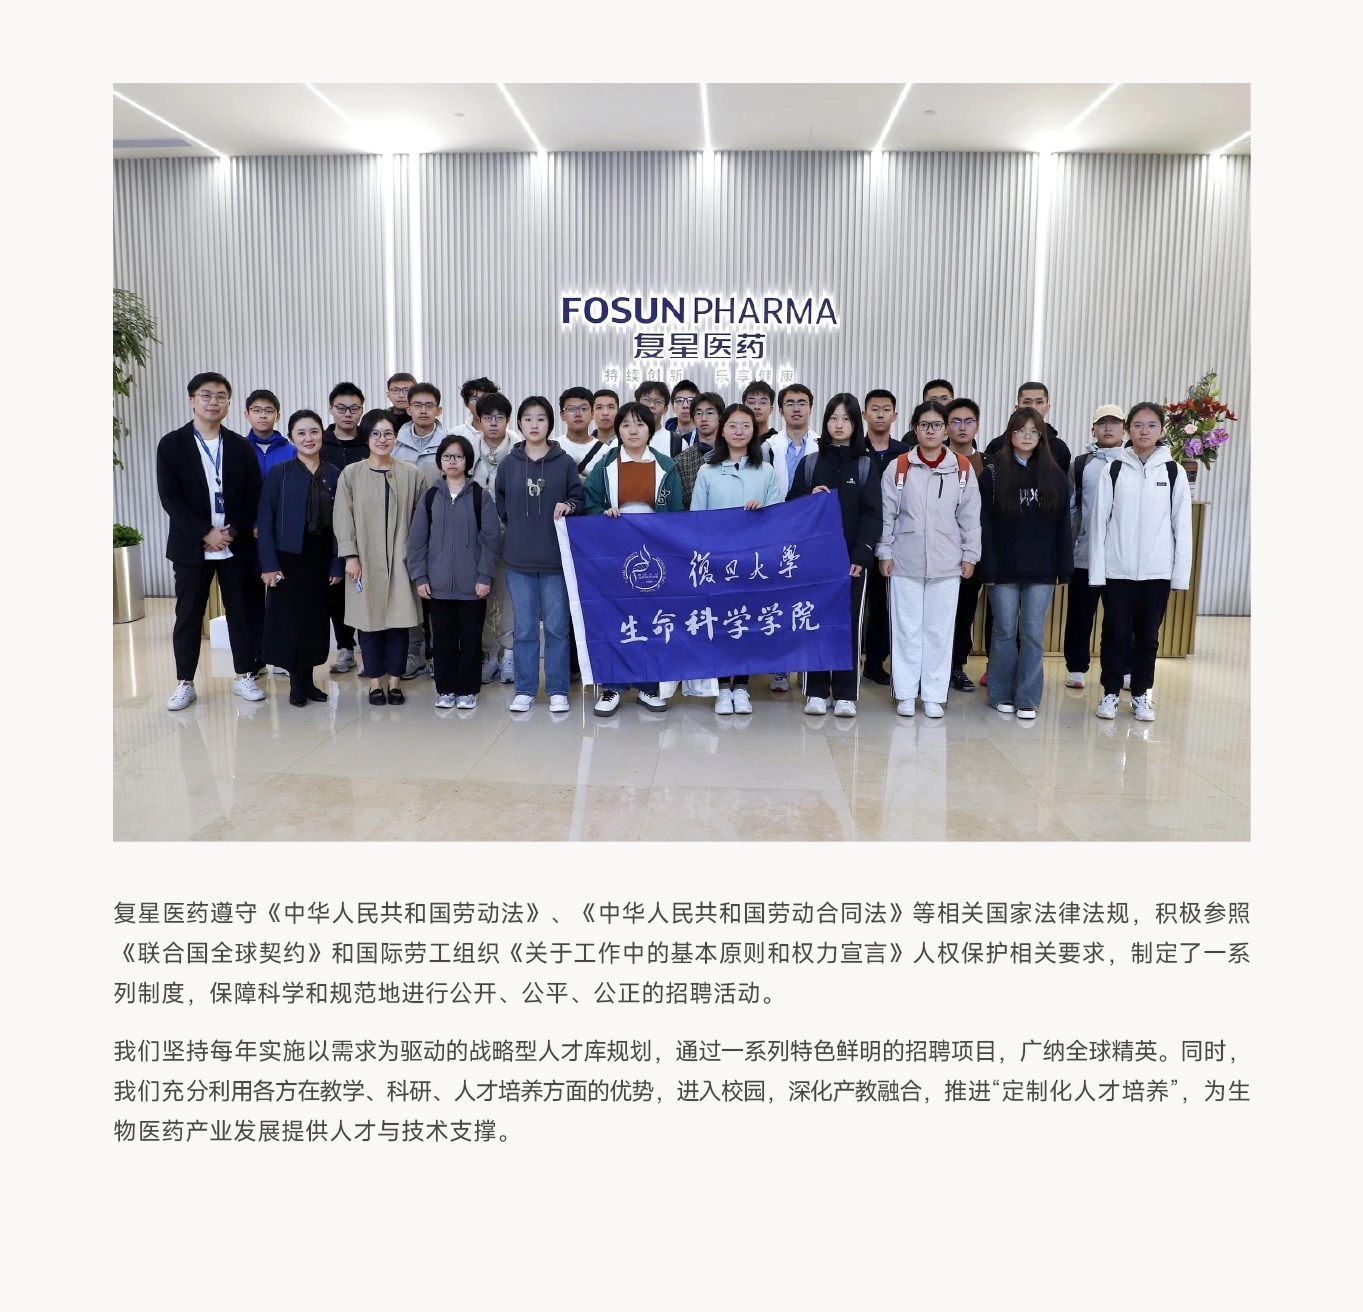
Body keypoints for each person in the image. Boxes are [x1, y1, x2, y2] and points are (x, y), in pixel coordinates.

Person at [157, 372, 266, 711]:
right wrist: (205, 532)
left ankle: (244, 675)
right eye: (206, 395)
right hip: (192, 546)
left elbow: (254, 493)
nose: (213, 402)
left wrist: (231, 533)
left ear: (229, 404)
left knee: (241, 614)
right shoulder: (172, 444)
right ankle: (185, 682)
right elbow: (170, 497)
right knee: (188, 615)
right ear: (192, 401)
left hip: (235, 545)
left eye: (221, 396)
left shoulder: (240, 446)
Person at [876, 400, 981, 719]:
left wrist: (970, 554)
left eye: (937, 425)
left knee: (939, 630)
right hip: (904, 560)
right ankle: (906, 693)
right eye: (924, 425)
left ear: (946, 429)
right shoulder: (899, 467)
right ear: (915, 429)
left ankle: (934, 695)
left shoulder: (961, 468)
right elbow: (887, 515)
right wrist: (884, 552)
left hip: (947, 562)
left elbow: (970, 517)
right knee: (907, 630)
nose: (931, 431)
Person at [1089, 402, 1193, 722]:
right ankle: (1110, 692)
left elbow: (1182, 527)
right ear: (1128, 429)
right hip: (1116, 571)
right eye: (1137, 425)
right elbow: (1099, 524)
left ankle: (1140, 695)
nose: (1144, 431)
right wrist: (1097, 573)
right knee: (1114, 635)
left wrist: (1179, 576)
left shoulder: (1173, 471)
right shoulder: (1114, 470)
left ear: (1161, 430)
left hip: (1156, 573)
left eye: (1151, 425)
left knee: (1148, 638)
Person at [583, 401, 682, 716]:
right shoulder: (606, 465)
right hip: (614, 553)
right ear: (618, 431)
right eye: (626, 425)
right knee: (614, 617)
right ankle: (612, 687)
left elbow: (676, 513)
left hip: (655, 556)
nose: (633, 430)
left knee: (651, 618)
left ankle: (648, 687)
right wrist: (604, 513)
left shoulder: (666, 466)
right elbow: (590, 502)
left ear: (650, 429)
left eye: (640, 424)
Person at [786, 394, 881, 718]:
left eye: (846, 419)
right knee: (814, 622)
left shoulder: (865, 465)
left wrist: (862, 555)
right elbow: (791, 506)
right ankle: (815, 690)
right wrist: (809, 498)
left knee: (848, 626)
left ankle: (845, 694)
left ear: (856, 424)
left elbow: (872, 516)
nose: (839, 425)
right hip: (813, 561)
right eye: (833, 418)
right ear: (825, 422)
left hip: (851, 562)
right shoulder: (811, 463)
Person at [979, 407, 1074, 719]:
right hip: (1003, 568)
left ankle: (1027, 698)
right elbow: (985, 524)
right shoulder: (993, 473)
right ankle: (1000, 694)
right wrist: (987, 567)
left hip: (1042, 570)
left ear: (1042, 436)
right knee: (1004, 631)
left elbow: (1063, 525)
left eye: (1034, 431)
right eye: (1021, 430)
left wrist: (1064, 568)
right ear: (1010, 434)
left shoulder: (1054, 475)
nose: (1027, 436)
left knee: (1033, 633)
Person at [494, 396, 585, 714]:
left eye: (541, 418)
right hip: (519, 559)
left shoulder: (564, 462)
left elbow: (578, 499)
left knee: (558, 628)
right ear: (519, 423)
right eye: (528, 419)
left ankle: (558, 689)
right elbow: (502, 506)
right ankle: (525, 689)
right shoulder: (508, 463)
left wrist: (568, 506)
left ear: (550, 423)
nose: (534, 424)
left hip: (556, 560)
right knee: (525, 629)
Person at [692, 403, 783, 715]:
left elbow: (777, 518)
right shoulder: (707, 471)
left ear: (754, 431)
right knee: (719, 624)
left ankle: (741, 687)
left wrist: (762, 512)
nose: (739, 431)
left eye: (746, 425)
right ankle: (721, 688)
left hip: (753, 563)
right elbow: (697, 519)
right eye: (733, 425)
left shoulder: (766, 471)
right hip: (718, 562)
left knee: (746, 623)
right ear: (722, 430)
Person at [334, 409, 424, 706]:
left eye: (388, 434)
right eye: (375, 433)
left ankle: (395, 683)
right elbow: (343, 517)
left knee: (399, 623)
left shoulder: (412, 474)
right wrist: (350, 555)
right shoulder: (352, 474)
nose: (382, 439)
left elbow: (421, 521)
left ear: (396, 437)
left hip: (401, 560)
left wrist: (415, 559)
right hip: (364, 561)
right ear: (366, 437)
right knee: (369, 623)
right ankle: (375, 683)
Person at [256, 410, 344, 706]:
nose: (309, 438)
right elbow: (265, 521)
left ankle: (309, 681)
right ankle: (296, 682)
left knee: (315, 622)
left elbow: (342, 525)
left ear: (322, 435)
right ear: (291, 438)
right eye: (301, 433)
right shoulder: (279, 473)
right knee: (290, 622)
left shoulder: (334, 474)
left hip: (321, 558)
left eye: (314, 432)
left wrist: (337, 562)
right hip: (288, 558)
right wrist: (269, 564)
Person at [408, 434, 501, 710]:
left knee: (471, 641)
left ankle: (468, 690)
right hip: (437, 586)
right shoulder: (430, 497)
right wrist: (420, 576)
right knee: (443, 641)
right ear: (440, 460)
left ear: (467, 461)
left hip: (473, 586)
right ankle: (446, 689)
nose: (452, 461)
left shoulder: (480, 496)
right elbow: (417, 541)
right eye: (447, 456)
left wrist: (485, 576)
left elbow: (491, 540)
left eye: (458, 456)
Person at [1063, 404, 1128, 689]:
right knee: (1080, 615)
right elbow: (1071, 508)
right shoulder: (1080, 464)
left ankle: (1124, 668)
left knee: (1120, 619)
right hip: (1085, 555)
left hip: (1121, 558)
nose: (1108, 428)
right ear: (1093, 429)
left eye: (1115, 423)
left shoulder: (1133, 462)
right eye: (1102, 423)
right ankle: (1076, 667)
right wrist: (1072, 546)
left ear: (1124, 428)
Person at [761, 383, 818, 692]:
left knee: (806, 602)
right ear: (780, 410)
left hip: (810, 534)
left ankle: (807, 669)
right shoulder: (768, 447)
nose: (796, 408)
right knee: (778, 602)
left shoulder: (822, 446)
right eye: (790, 403)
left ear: (810, 408)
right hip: (775, 532)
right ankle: (781, 667)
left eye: (802, 403)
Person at [393, 382, 447, 677]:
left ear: (439, 410)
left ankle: (439, 652)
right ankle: (414, 651)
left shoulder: (449, 443)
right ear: (408, 408)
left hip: (440, 529)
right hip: (403, 528)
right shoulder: (395, 442)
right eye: (417, 405)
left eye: (429, 405)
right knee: (409, 590)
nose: (423, 410)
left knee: (438, 592)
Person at [241, 388, 292, 676]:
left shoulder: (290, 449)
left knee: (281, 597)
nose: (263, 415)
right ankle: (257, 658)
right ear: (247, 414)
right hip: (247, 537)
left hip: (280, 537)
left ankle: (281, 656)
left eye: (269, 410)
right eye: (257, 410)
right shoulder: (237, 448)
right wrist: (252, 526)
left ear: (277, 415)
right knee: (250, 599)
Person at [469, 392, 519, 685]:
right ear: (479, 420)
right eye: (487, 417)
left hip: (512, 537)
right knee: (483, 597)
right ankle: (489, 656)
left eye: (499, 417)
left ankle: (509, 656)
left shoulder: (520, 451)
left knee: (509, 598)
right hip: (477, 540)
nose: (493, 423)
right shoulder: (467, 451)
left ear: (507, 420)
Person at [860, 389, 907, 685]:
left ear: (895, 415)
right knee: (854, 603)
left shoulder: (905, 454)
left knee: (883, 603)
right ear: (864, 414)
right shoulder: (854, 449)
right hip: (858, 538)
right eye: (874, 409)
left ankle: (875, 663)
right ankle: (848, 661)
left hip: (894, 540)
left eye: (886, 409)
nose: (880, 414)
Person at [321, 383, 369, 674]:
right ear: (331, 409)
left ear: (362, 410)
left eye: (354, 408)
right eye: (341, 408)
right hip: (329, 528)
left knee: (364, 588)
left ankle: (368, 650)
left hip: (364, 528)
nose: (347, 414)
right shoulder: (321, 442)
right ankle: (345, 648)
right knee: (335, 590)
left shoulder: (369, 442)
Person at [944, 398, 987, 692]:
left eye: (968, 421)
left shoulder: (988, 464)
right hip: (938, 550)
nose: (962, 427)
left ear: (977, 426)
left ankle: (957, 666)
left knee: (964, 612)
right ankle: (932, 668)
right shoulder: (935, 459)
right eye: (956, 421)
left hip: (972, 552)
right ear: (946, 426)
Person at [985, 381, 1072, 473]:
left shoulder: (1059, 448)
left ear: (1047, 408)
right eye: (1027, 402)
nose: (1033, 407)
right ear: (1017, 408)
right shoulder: (997, 445)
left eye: (1039, 402)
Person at [673, 391, 723, 510]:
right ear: (693, 419)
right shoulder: (682, 460)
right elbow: (680, 505)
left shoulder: (732, 454)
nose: (704, 418)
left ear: (720, 417)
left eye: (710, 413)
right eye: (698, 413)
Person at [557, 387, 611, 477]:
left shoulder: (605, 452)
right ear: (562, 415)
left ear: (592, 414)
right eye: (571, 409)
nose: (578, 414)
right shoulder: (552, 447)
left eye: (583, 409)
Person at [449, 376, 500, 441]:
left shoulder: (508, 436)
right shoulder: (456, 434)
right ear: (466, 403)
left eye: (485, 398)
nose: (480, 403)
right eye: (475, 399)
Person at [661, 379, 699, 451]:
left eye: (691, 401)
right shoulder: (664, 436)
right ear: (673, 407)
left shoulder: (706, 437)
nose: (685, 405)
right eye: (679, 401)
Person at [635, 381, 672, 453]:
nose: (652, 405)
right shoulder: (620, 441)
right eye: (647, 400)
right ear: (637, 404)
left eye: (658, 401)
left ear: (665, 409)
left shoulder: (678, 443)